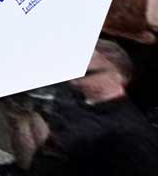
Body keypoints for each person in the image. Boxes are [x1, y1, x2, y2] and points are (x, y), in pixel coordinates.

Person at [23, 40, 158, 176]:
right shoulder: (70, 103)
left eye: (87, 73)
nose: (74, 80)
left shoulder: (130, 133)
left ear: (119, 76)